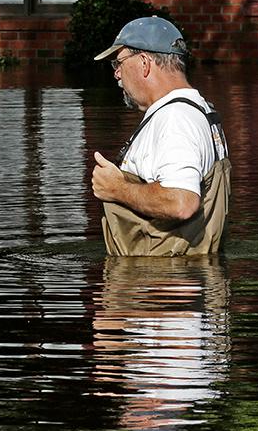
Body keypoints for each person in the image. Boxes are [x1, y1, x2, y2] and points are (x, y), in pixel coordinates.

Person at [90, 16, 231, 256]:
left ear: (144, 62)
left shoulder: (175, 117)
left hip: (161, 283)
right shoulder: (199, 109)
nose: (116, 74)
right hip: (185, 276)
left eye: (119, 63)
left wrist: (116, 189)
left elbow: (181, 202)